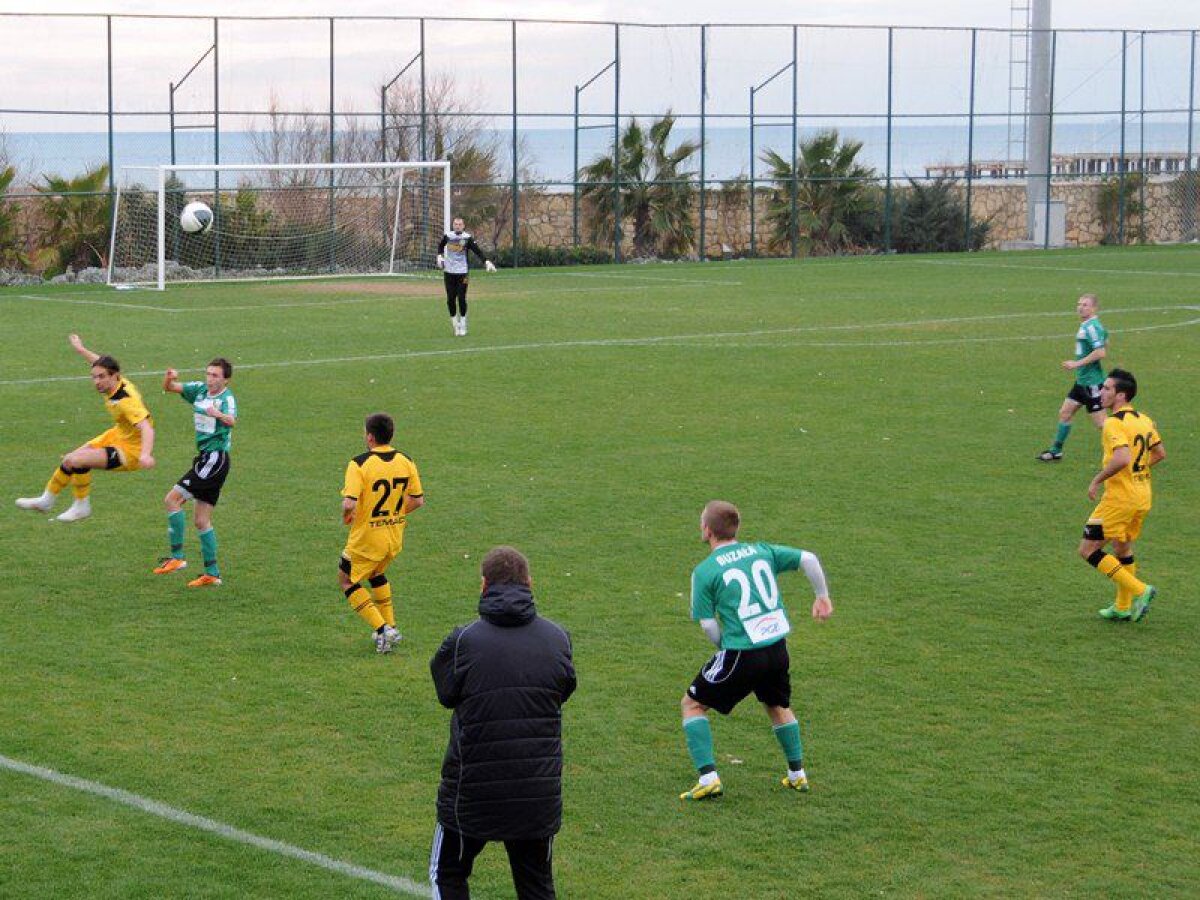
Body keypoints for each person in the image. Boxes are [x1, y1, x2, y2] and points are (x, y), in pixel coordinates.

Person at [429, 546, 575, 900]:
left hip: (472, 792)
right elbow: (564, 689)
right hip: (536, 793)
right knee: (537, 886)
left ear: (483, 586)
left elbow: (445, 692)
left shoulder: (463, 641)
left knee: (447, 873)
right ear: (529, 583)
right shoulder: (558, 638)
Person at [679, 500, 833, 802]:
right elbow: (809, 558)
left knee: (692, 704)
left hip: (743, 651)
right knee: (776, 705)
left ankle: (708, 778)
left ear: (707, 530)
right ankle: (797, 774)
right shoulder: (762, 551)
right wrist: (822, 596)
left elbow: (709, 626)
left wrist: (727, 648)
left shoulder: (705, 571)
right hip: (777, 648)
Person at [16, 333, 155, 522]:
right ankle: (46, 500)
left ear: (115, 375)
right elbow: (98, 362)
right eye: (94, 377)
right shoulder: (115, 380)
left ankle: (81, 506)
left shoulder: (125, 400)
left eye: (101, 377)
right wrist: (81, 350)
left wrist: (145, 455)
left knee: (79, 461)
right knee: (69, 459)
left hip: (131, 450)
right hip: (117, 435)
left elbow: (146, 428)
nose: (97, 381)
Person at [1077, 368, 1164, 622]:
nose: (1101, 392)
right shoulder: (1145, 420)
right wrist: (1138, 470)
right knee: (1122, 546)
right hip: (1142, 495)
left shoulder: (1113, 423)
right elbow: (1159, 453)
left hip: (1120, 499)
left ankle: (1141, 590)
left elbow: (1122, 457)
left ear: (1121, 395)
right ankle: (1123, 606)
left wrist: (1097, 479)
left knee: (1088, 550)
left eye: (1107, 389)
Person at [338, 412, 424, 653]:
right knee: (377, 573)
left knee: (346, 580)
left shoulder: (359, 463)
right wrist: (393, 514)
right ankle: (391, 629)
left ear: (370, 437)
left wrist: (348, 514)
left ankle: (382, 629)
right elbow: (417, 500)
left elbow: (348, 503)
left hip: (367, 539)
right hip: (393, 537)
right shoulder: (406, 460)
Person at [152, 358, 238, 588]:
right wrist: (169, 377)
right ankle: (212, 573)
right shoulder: (198, 390)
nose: (210, 379)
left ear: (225, 379)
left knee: (172, 500)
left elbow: (232, 421)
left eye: (215, 376)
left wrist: (216, 413)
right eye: (208, 374)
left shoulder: (226, 398)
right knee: (201, 520)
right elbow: (169, 388)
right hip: (206, 460)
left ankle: (178, 558)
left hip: (214, 459)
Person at [1037, 293, 1108, 461]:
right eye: (1079, 304)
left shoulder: (1091, 327)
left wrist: (1076, 364)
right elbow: (1105, 338)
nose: (1081, 307)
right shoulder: (1089, 325)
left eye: (1085, 305)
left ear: (1094, 308)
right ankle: (1056, 451)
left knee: (1103, 425)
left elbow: (1101, 352)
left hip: (1092, 383)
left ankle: (1130, 446)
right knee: (1065, 413)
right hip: (1082, 382)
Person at [437, 216, 496, 337]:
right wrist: (439, 256)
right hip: (448, 272)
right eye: (455, 224)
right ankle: (455, 325)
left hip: (462, 273)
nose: (457, 226)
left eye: (459, 224)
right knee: (450, 299)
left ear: (463, 226)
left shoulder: (467, 238)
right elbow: (440, 246)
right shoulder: (448, 236)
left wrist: (486, 262)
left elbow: (477, 251)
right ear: (453, 225)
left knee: (462, 298)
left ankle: (463, 323)